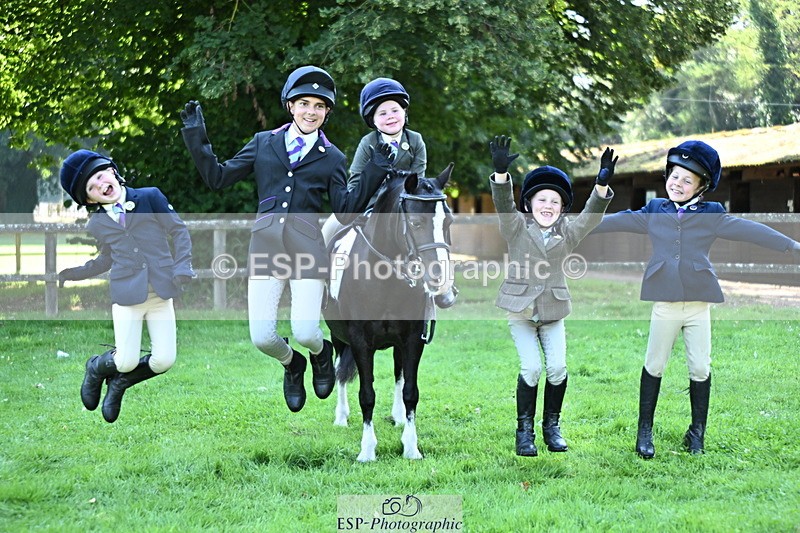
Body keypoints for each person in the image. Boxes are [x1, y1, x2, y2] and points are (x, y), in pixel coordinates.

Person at [180, 65, 392, 413]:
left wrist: (373, 172)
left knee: (308, 331)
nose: (311, 111)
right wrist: (195, 136)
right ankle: (293, 364)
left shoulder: (333, 158)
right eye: (304, 103)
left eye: (320, 106)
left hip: (308, 249)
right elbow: (218, 177)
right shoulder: (264, 143)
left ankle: (321, 355)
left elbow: (346, 209)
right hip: (266, 247)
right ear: (290, 106)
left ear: (326, 113)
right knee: (263, 337)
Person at [591, 140, 800, 458]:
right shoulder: (654, 211)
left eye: (687, 180)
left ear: (701, 188)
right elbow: (610, 223)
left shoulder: (713, 214)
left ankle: (696, 433)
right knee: (654, 364)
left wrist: (791, 245)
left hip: (699, 305)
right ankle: (644, 432)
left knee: (700, 367)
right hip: (666, 305)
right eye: (674, 176)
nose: (677, 184)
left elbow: (749, 230)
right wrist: (568, 228)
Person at [489, 136, 616, 456]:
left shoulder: (567, 233)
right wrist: (502, 176)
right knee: (532, 368)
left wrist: (600, 188)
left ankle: (552, 427)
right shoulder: (515, 228)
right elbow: (504, 205)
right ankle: (525, 432)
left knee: (557, 368)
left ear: (562, 209)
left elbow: (590, 217)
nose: (548, 206)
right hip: (521, 312)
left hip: (552, 311)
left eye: (555, 202)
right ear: (530, 204)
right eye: (542, 200)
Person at [58, 149, 195, 423]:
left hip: (161, 293)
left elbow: (178, 231)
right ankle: (96, 367)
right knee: (125, 361)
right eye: (91, 187)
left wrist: (182, 267)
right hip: (127, 296)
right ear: (89, 199)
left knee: (164, 360)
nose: (100, 185)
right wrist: (77, 273)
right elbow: (107, 257)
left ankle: (120, 383)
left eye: (100, 175)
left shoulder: (149, 197)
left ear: (112, 171)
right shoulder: (97, 223)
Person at [320, 76, 457, 308]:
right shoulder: (368, 143)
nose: (390, 116)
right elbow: (356, 180)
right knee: (329, 228)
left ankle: (442, 286)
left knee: (434, 233)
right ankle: (323, 285)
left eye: (395, 110)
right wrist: (375, 200)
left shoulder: (415, 141)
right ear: (373, 120)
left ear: (404, 113)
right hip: (369, 204)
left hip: (406, 207)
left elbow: (417, 180)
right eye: (382, 113)